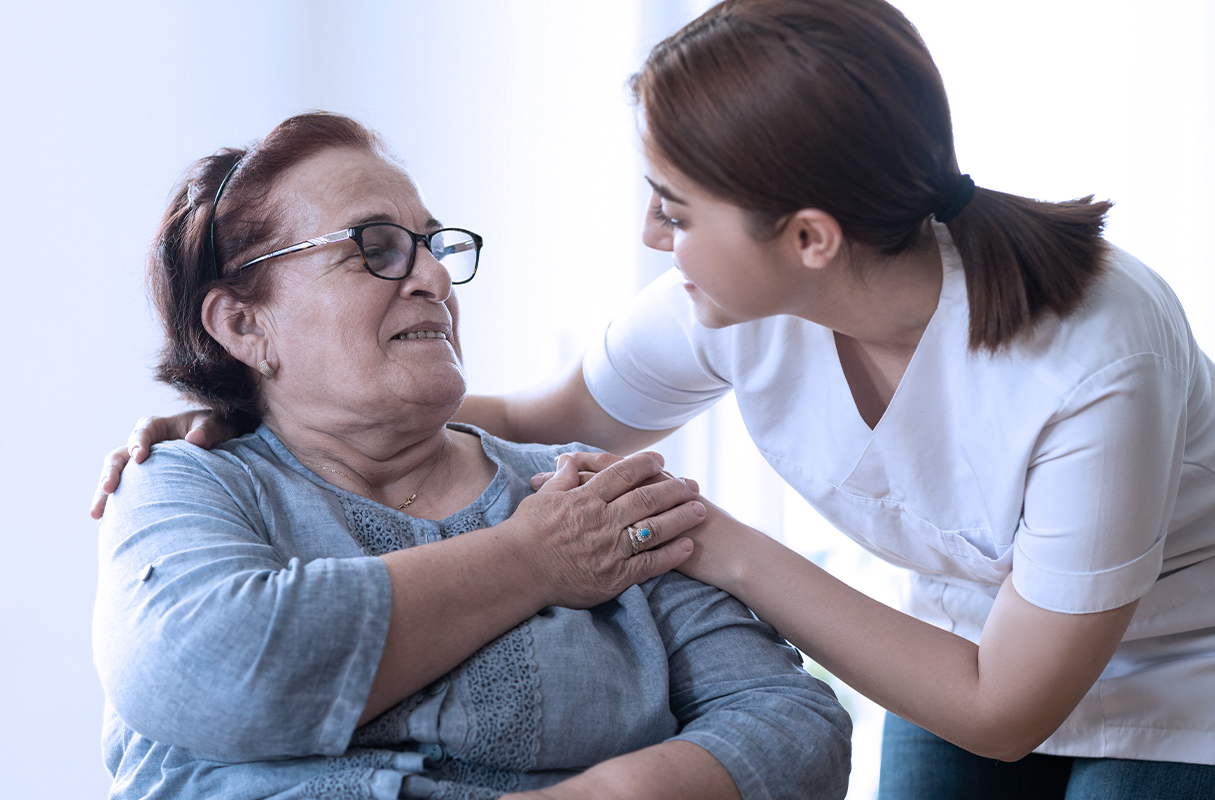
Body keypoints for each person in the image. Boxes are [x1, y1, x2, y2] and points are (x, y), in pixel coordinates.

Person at [92, 1, 1215, 797]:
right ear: (237, 325)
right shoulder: (199, 493)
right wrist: (238, 409)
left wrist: (704, 548)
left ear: (810, 240)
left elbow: (840, 724)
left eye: (673, 207)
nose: (649, 236)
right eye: (377, 248)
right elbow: (543, 418)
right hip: (965, 638)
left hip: (1174, 668)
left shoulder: (1097, 359)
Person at [92, 111, 853, 800]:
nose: (432, 278)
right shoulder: (183, 482)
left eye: (431, 247)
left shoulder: (581, 486)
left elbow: (794, 723)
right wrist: (532, 559)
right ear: (243, 324)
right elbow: (213, 669)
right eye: (375, 250)